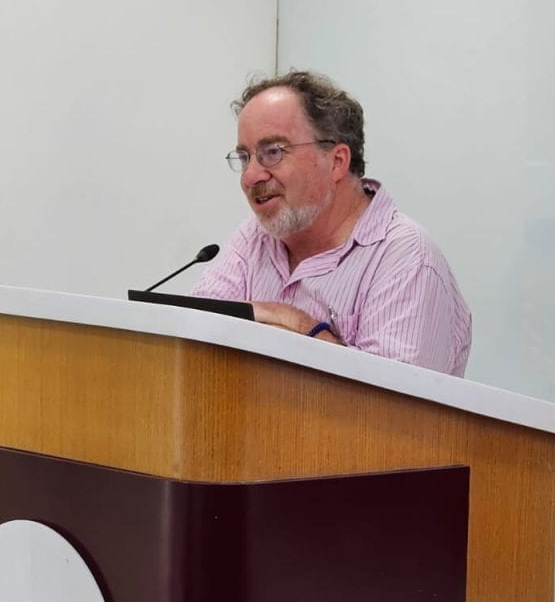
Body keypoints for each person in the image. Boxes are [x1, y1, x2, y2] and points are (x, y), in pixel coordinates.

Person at [192, 71, 471, 377]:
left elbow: (389, 414)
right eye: (245, 157)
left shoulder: (406, 259)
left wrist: (297, 324)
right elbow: (197, 343)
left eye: (273, 152)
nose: (250, 177)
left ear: (337, 161)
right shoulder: (254, 238)